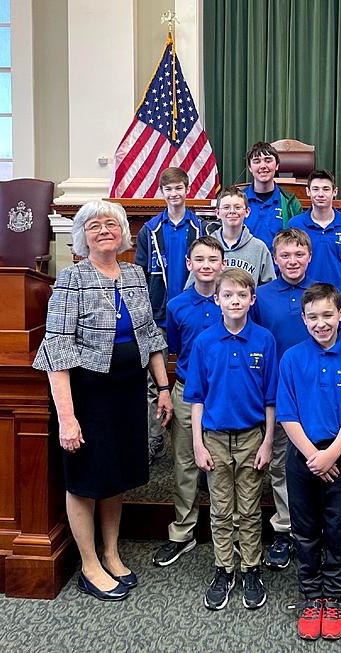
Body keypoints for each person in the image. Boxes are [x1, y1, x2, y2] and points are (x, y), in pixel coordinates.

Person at [32, 200, 173, 601]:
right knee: (85, 480)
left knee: (116, 476)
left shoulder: (133, 274)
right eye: (94, 225)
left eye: (111, 223)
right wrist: (67, 418)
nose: (104, 230)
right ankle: (89, 564)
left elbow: (149, 336)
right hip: (88, 396)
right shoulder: (72, 279)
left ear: (124, 233)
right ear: (83, 237)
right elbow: (56, 349)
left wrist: (163, 388)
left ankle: (111, 552)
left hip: (128, 392)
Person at [277, 283, 341, 641]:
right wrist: (313, 456)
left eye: (328, 315)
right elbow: (287, 412)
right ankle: (311, 596)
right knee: (305, 529)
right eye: (313, 317)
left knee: (337, 527)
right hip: (302, 454)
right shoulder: (292, 358)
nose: (321, 323)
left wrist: (330, 455)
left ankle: (333, 596)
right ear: (303, 319)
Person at [185, 268, 278, 611]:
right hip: (214, 438)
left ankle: (251, 567)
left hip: (252, 437)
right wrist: (198, 443)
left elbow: (271, 398)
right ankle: (224, 568)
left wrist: (268, 441)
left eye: (242, 295)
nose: (235, 301)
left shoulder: (265, 340)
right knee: (222, 510)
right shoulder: (205, 342)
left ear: (252, 300)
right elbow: (196, 397)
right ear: (217, 299)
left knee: (250, 509)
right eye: (228, 295)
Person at [150, 236, 226, 567]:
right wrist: (166, 389)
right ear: (189, 264)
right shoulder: (178, 305)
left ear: (223, 264)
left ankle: (230, 532)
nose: (207, 265)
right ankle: (183, 532)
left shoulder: (233, 300)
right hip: (186, 392)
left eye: (213, 259)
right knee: (185, 463)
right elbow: (177, 350)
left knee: (226, 463)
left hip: (225, 393)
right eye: (200, 259)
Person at [249, 228, 317, 570]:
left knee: (319, 459)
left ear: (309, 257)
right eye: (286, 255)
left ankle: (316, 528)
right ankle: (285, 529)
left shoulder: (321, 295)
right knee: (280, 464)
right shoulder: (261, 296)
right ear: (275, 260)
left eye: (299, 254)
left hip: (317, 393)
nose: (293, 261)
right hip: (277, 395)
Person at [135, 167, 207, 461]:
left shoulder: (202, 229)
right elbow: (139, 276)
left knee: (199, 379)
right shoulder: (149, 230)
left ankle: (198, 440)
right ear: (162, 193)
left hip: (195, 317)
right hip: (158, 317)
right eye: (169, 189)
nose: (174, 194)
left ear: (187, 190)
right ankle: (154, 439)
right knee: (155, 380)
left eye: (179, 188)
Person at [287, 170, 341, 293]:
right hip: (303, 296)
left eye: (326, 189)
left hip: (335, 298)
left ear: (334, 191)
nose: (320, 194)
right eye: (315, 189)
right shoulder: (295, 224)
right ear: (308, 191)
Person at [188, 185, 276, 287]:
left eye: (237, 207)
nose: (232, 211)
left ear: (247, 212)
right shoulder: (204, 247)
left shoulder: (259, 248)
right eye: (226, 207)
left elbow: (269, 290)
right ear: (217, 213)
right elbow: (192, 288)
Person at [243, 141, 303, 252]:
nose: (263, 166)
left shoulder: (290, 203)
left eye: (268, 160)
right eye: (256, 161)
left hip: (279, 268)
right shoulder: (239, 201)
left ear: (277, 165)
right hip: (246, 266)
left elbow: (299, 243)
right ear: (250, 168)